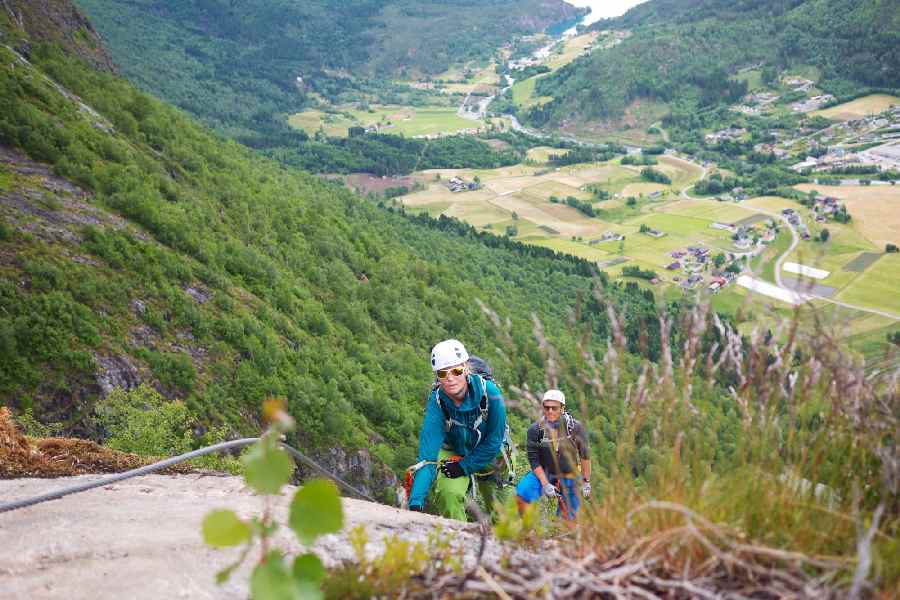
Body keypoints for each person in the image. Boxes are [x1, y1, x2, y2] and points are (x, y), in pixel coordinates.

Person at [407, 339, 508, 521]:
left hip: (490, 452)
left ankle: (504, 546)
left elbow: (494, 441)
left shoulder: (491, 393)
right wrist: (415, 502)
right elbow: (427, 457)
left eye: (456, 370)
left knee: (502, 513)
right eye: (443, 373)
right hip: (454, 449)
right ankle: (459, 541)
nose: (450, 378)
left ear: (466, 368)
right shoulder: (437, 401)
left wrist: (464, 467)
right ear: (437, 376)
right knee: (448, 494)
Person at [516, 389, 591, 520]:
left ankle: (561, 533)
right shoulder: (536, 430)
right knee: (522, 494)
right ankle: (529, 529)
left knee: (568, 517)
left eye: (554, 408)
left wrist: (586, 481)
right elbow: (534, 460)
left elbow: (584, 456)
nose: (550, 411)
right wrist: (545, 484)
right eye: (547, 407)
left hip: (569, 472)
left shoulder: (574, 428)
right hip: (545, 471)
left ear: (562, 408)